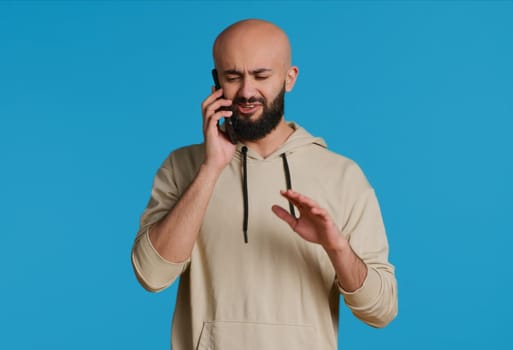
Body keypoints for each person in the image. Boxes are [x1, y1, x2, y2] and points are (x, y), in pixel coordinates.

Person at [131, 19, 397, 350]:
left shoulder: (342, 175)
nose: (246, 91)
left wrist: (336, 247)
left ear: (290, 78)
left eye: (261, 76)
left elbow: (381, 311)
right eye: (232, 77)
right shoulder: (182, 167)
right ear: (216, 83)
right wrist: (211, 168)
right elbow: (151, 276)